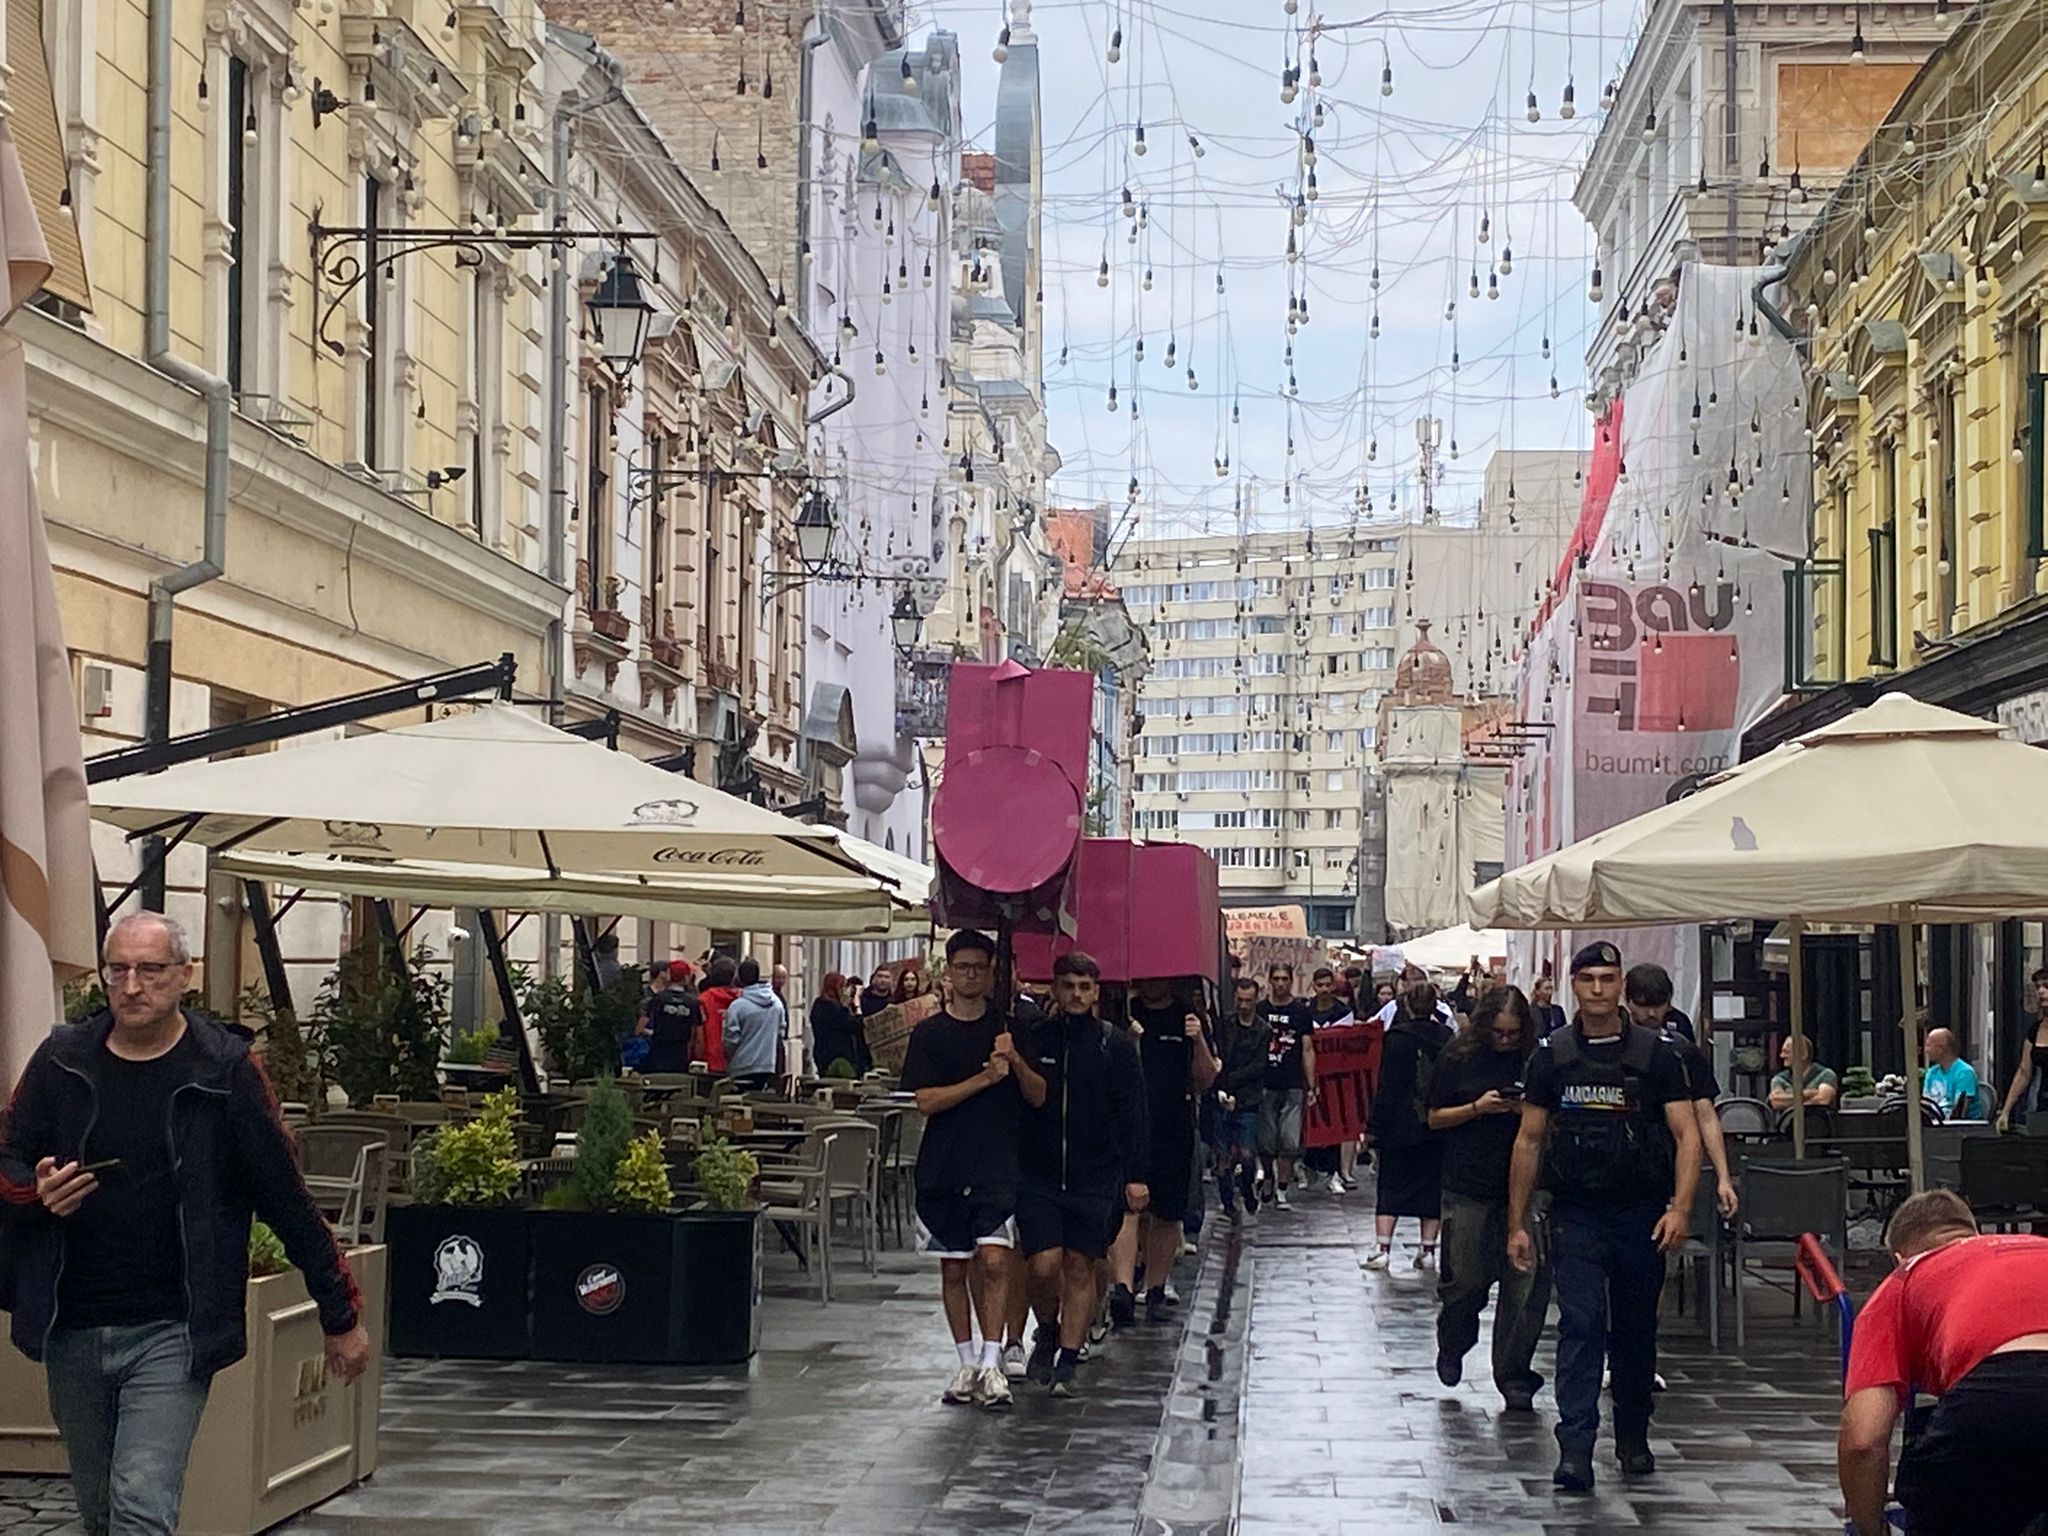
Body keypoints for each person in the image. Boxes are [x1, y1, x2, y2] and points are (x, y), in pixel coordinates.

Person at [0, 913, 371, 1536]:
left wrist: (341, 1316)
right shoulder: (62, 1061)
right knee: (99, 1510)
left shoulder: (223, 1071)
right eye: (118, 970)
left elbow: (285, 1196)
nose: (132, 986)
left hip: (173, 1328)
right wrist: (33, 1191)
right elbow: (8, 1155)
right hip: (73, 1323)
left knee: (142, 1504)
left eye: (150, 970)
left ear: (185, 976)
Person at [1507, 941, 1699, 1494]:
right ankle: (1575, 1447)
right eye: (1588, 978)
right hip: (1577, 1211)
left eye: (1607, 979)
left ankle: (1633, 1434)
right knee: (1581, 1324)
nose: (1597, 989)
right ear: (1574, 984)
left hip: (1640, 1212)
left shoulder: (1656, 1054)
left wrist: (1681, 1208)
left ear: (1621, 985)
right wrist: (1516, 1223)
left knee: (1635, 1330)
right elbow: (1528, 1140)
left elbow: (1687, 1136)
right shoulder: (1553, 1055)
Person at [1839, 1189, 2048, 1536]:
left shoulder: (1906, 1277)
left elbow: (1863, 1441)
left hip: (1996, 1400)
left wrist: (1870, 1527)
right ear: (1974, 1234)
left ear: (1899, 1257)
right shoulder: (2040, 1249)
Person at [899, 930, 1024, 1411]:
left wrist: (1013, 1062)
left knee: (994, 1260)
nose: (971, 975)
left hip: (996, 1160)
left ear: (991, 973)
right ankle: (967, 1361)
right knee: (953, 1266)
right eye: (962, 967)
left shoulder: (1008, 1028)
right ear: (949, 972)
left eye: (979, 967)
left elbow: (1037, 1093)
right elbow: (926, 1100)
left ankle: (993, 1361)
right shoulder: (929, 1035)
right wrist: (984, 1078)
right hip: (944, 1163)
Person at [1016, 952, 1148, 1399]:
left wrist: (1136, 1174)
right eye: (1068, 985)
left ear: (1096, 992)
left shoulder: (1115, 1045)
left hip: (1095, 1174)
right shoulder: (1035, 1038)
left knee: (1080, 1264)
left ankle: (1069, 1360)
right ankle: (1047, 1329)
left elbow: (1133, 1113)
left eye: (1084, 987)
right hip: (1039, 1173)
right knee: (1043, 1264)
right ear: (1055, 988)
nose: (1076, 994)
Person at [1427, 986, 1547, 1410]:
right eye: (1498, 1032)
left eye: (1512, 1033)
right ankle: (1454, 1339)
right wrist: (1477, 1108)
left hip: (1527, 1186)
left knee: (1525, 1285)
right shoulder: (1458, 1057)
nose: (1505, 1040)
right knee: (1465, 1280)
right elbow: (1433, 1117)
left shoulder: (1536, 1059)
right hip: (1468, 1182)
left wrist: (1523, 1111)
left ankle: (1513, 1374)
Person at [1115, 977, 1220, 1325]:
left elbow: (1205, 1078)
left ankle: (1155, 1288)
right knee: (1128, 1207)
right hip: (1129, 1124)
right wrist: (1129, 1041)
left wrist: (1198, 1039)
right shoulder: (1125, 1013)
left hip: (1174, 1124)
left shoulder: (1188, 1016)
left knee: (1167, 1210)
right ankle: (1123, 1288)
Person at [1627, 964, 1737, 1221]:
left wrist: (1723, 1176)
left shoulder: (1683, 1050)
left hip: (1666, 1159)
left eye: (1658, 1005)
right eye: (1643, 1005)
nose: (1651, 1013)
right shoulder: (1616, 1047)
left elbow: (1706, 1114)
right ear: (1628, 1001)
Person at [1363, 982, 1452, 1272]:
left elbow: (1387, 1087)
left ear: (1407, 1005)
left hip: (1399, 1125)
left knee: (1391, 1185)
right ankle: (1427, 1251)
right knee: (1431, 1187)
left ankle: (1382, 1248)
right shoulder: (1447, 1037)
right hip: (1436, 1123)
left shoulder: (1397, 1039)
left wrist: (1374, 1126)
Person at [1255, 963, 1317, 1209]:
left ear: (1291, 981)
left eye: (1284, 979)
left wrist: (1311, 1084)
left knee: (1290, 1141)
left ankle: (1282, 1188)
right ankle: (1269, 1176)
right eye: (1276, 978)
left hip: (1292, 1084)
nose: (1280, 983)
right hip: (1265, 1082)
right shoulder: (1261, 1009)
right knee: (1266, 1140)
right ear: (1270, 980)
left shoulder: (1300, 1011)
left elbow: (1307, 1049)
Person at [1213, 974, 1267, 1217]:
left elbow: (1259, 1065)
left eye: (1248, 1000)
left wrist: (1229, 1079)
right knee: (1223, 1155)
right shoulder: (1225, 1025)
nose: (1244, 1005)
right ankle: (1228, 1202)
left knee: (1246, 1153)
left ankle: (1246, 1188)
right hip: (1224, 1095)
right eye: (1240, 1000)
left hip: (1247, 1099)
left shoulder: (1262, 1030)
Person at [1304, 967, 1356, 1196]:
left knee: (1335, 1123)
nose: (1324, 989)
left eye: (1328, 985)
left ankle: (1334, 1172)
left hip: (1336, 1078)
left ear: (1333, 986)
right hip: (1309, 1075)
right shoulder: (1305, 1010)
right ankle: (1309, 1165)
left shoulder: (1343, 1012)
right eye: (1320, 985)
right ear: (1313, 986)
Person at [720, 958, 786, 1093]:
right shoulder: (776, 1003)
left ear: (740, 978)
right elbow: (781, 1033)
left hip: (742, 1067)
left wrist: (730, 1058)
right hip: (768, 1067)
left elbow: (731, 1040)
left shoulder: (737, 1007)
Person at [1997, 968, 2048, 1130]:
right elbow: (2024, 1072)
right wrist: (2006, 1111)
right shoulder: (2035, 1030)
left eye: (2046, 986)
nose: (2041, 992)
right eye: (2038, 987)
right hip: (2042, 1103)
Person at [641, 960, 701, 1075]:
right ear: (686, 977)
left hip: (658, 1054)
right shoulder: (693, 1003)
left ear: (669, 975)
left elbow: (640, 1027)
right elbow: (698, 1036)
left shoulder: (658, 999)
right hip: (681, 1056)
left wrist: (651, 1033)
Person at [808, 972, 867, 1078]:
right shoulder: (831, 1007)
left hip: (823, 1055)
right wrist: (857, 1006)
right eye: (842, 986)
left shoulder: (819, 1004)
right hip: (838, 1057)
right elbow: (853, 1025)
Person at [1919, 1027, 1983, 1121]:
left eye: (1928, 1045)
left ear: (1940, 1049)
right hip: (1934, 1123)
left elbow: (1960, 1111)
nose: (1926, 1050)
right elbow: (1925, 1104)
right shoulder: (1932, 1072)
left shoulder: (1964, 1073)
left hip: (1961, 1126)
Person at [1767, 1034, 1840, 1113]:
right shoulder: (1779, 1079)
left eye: (1786, 1052)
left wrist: (1789, 1102)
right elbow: (1776, 1101)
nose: (1782, 1056)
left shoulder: (1826, 1075)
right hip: (1789, 1121)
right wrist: (1811, 1094)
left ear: (1803, 1054)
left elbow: (1823, 1100)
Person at [696, 956, 742, 1075]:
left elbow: (699, 1034)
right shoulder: (742, 1000)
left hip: (710, 1062)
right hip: (738, 1062)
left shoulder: (703, 1000)